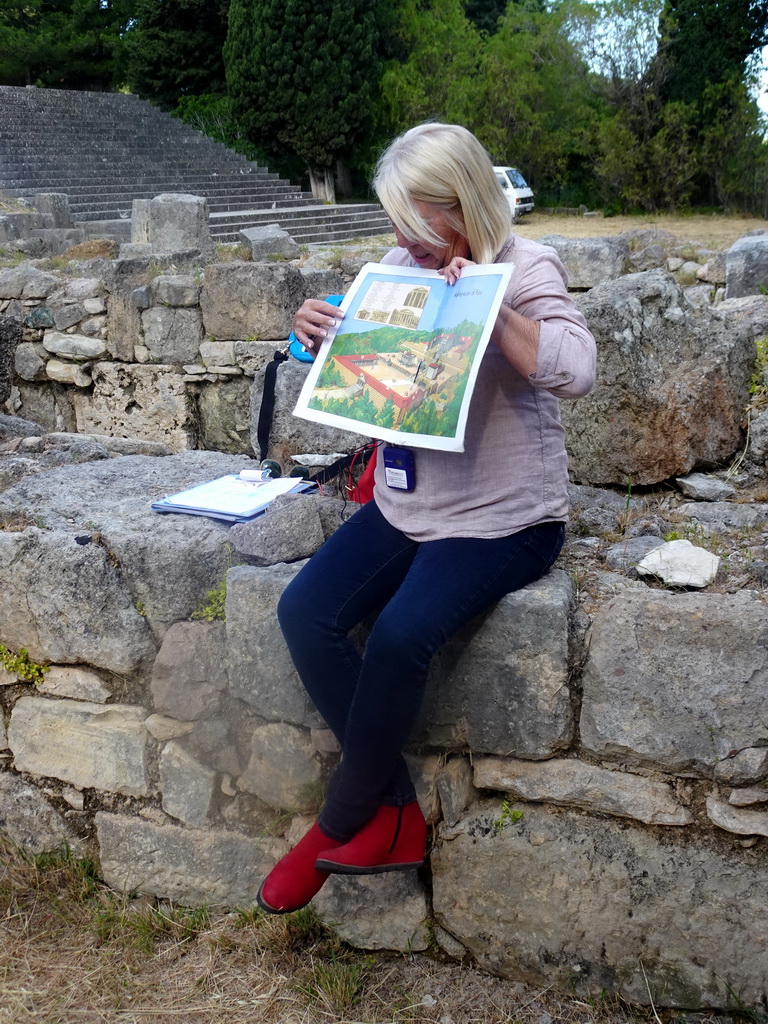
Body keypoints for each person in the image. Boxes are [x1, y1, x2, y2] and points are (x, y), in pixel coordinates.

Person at [257, 122, 596, 915]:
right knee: (304, 611)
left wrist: (484, 303)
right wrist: (311, 339)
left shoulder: (527, 266)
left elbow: (575, 368)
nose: (405, 240)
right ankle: (397, 810)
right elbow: (355, 357)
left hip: (507, 518)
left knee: (405, 633)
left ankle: (339, 819)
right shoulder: (394, 269)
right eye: (397, 223)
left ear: (466, 203)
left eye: (419, 222)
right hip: (410, 505)